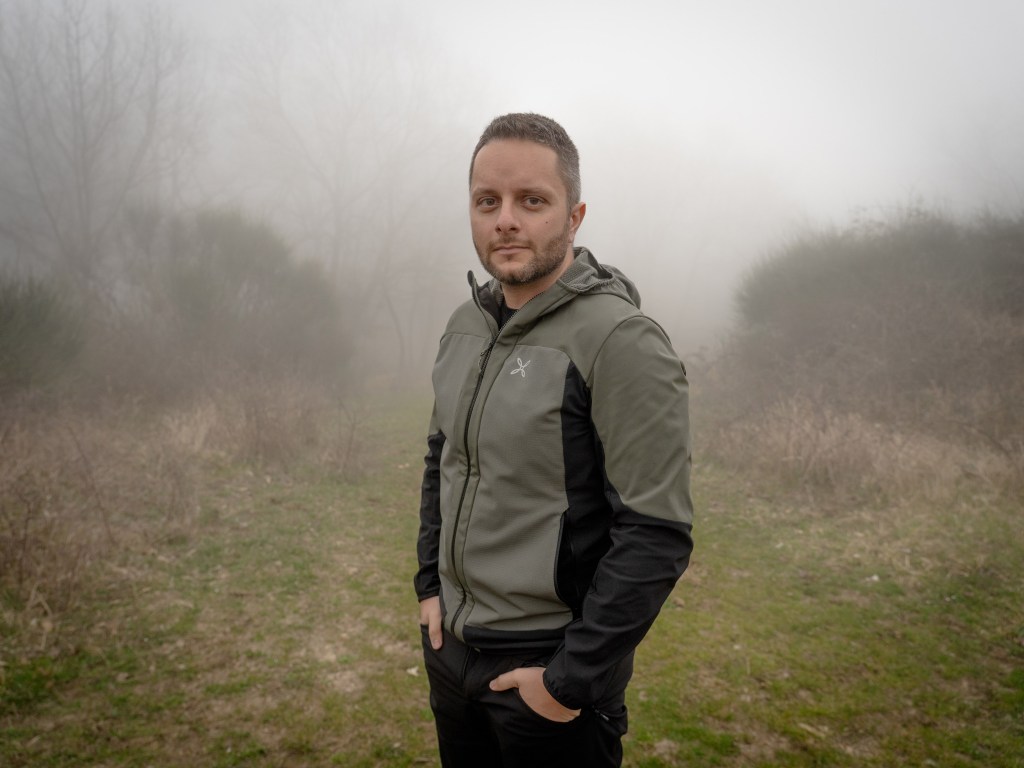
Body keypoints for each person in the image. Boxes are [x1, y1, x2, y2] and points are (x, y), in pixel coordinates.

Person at [414, 112, 693, 768]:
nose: (505, 220)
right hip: (452, 655)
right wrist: (429, 586)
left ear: (575, 216)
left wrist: (569, 681)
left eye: (532, 201)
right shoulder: (464, 325)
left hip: (548, 674)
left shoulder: (621, 341)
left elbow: (655, 532)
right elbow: (442, 459)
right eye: (488, 201)